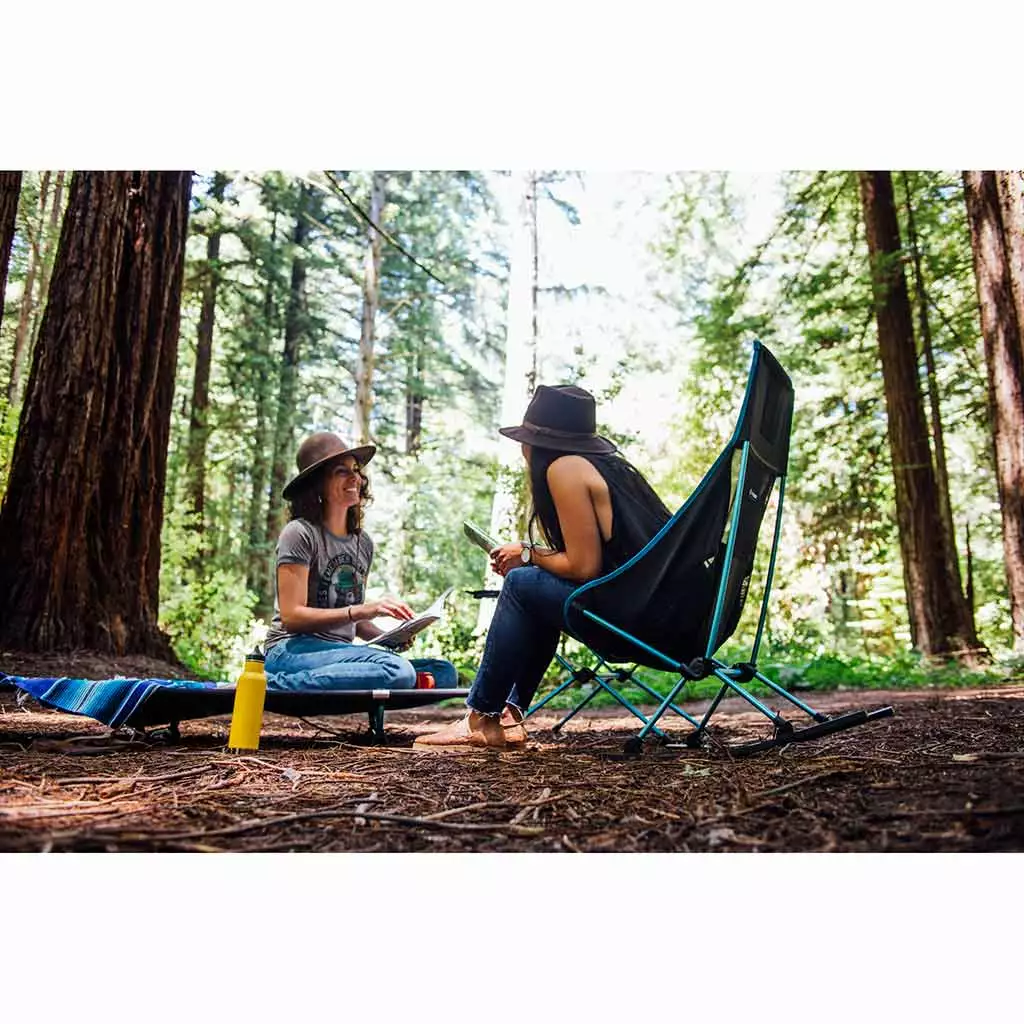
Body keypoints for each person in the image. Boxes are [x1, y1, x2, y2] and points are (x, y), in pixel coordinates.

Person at [415, 384, 671, 750]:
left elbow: (583, 567)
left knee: (522, 583)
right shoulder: (609, 469)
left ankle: (480, 717)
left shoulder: (565, 468)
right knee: (534, 585)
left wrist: (527, 554)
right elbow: (594, 563)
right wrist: (533, 557)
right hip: (665, 616)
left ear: (538, 443)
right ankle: (508, 715)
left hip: (639, 623)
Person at [263, 431, 458, 693]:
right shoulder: (299, 533)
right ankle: (272, 685)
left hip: (336, 653)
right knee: (398, 671)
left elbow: (352, 621)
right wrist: (365, 609)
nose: (355, 477)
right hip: (290, 650)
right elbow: (292, 617)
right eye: (341, 471)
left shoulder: (362, 543)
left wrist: (390, 638)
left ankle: (330, 682)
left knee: (443, 672)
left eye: (356, 470)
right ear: (317, 483)